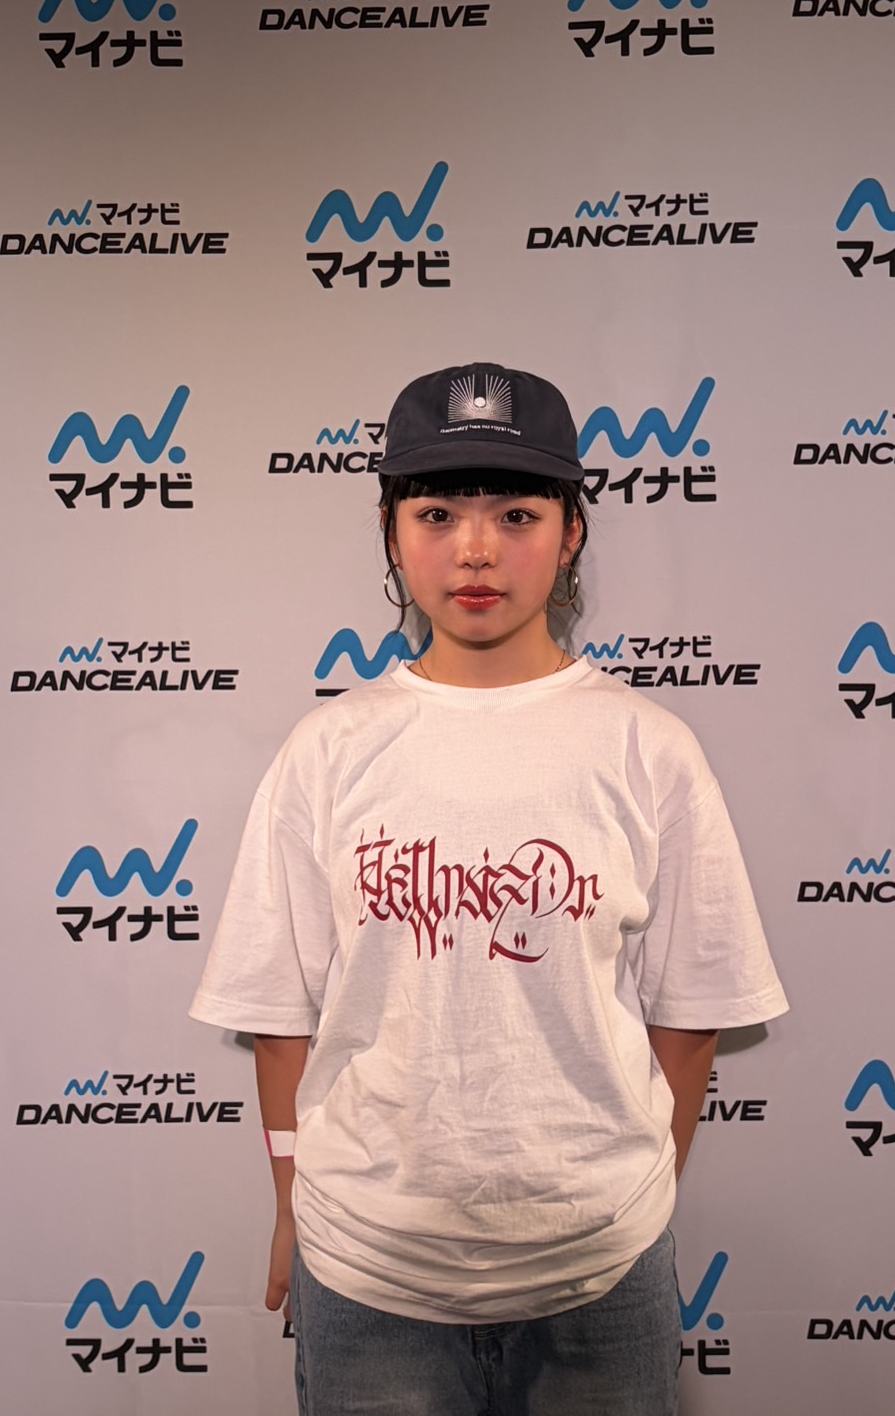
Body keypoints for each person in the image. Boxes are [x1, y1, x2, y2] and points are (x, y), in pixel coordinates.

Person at [190, 362, 788, 1416]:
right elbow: (282, 1015)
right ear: (391, 533)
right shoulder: (327, 750)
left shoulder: (647, 748)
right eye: (437, 513)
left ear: (571, 533)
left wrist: (634, 1204)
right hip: (367, 1269)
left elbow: (691, 1013)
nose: (475, 550)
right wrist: (290, 1204)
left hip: (601, 1275)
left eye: (516, 514)